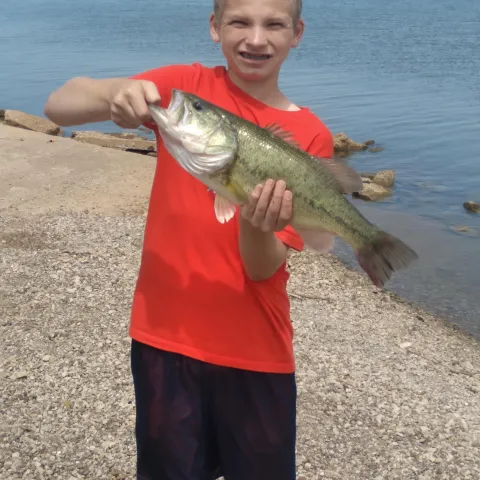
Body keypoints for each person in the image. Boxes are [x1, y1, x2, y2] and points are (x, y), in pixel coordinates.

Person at [44, 0, 334, 478]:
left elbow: (261, 267)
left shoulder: (311, 134)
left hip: (257, 351)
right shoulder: (186, 90)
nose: (255, 39)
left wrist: (253, 217)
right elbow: (59, 104)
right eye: (239, 22)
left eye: (273, 24)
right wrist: (117, 94)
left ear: (297, 33)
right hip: (164, 339)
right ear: (215, 27)